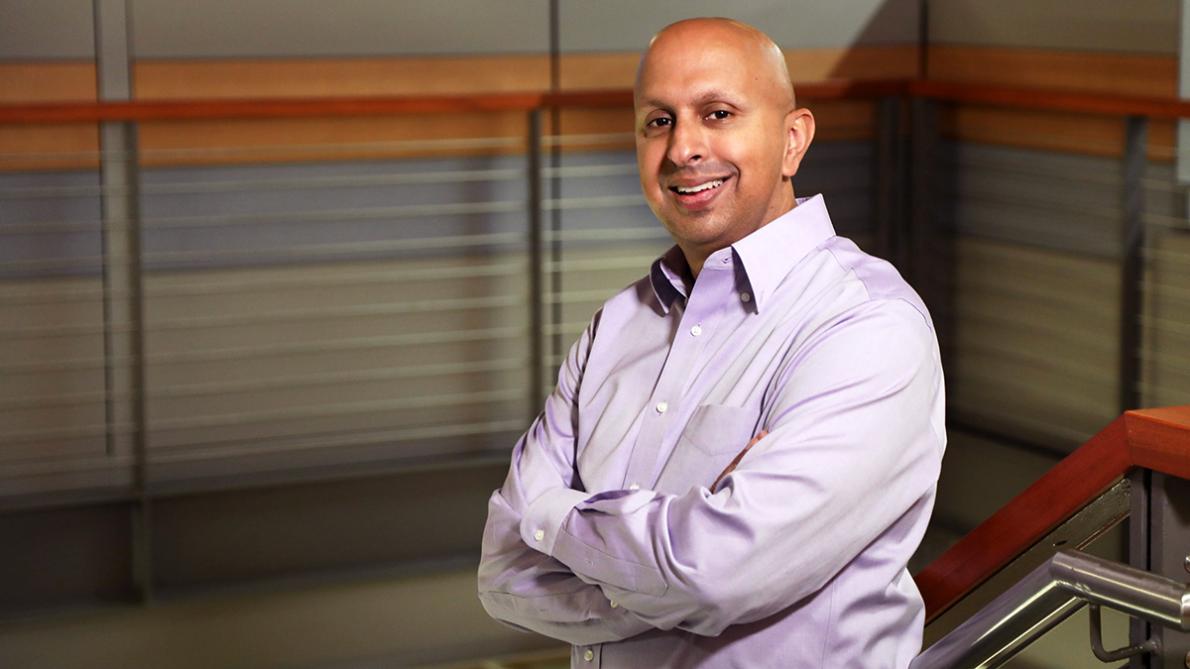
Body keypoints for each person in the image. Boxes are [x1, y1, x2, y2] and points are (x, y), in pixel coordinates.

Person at [478, 17, 945, 668]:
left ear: (792, 140)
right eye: (658, 121)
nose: (682, 149)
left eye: (718, 113)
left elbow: (716, 573)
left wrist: (556, 518)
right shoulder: (615, 325)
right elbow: (504, 571)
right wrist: (668, 567)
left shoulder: (866, 326)